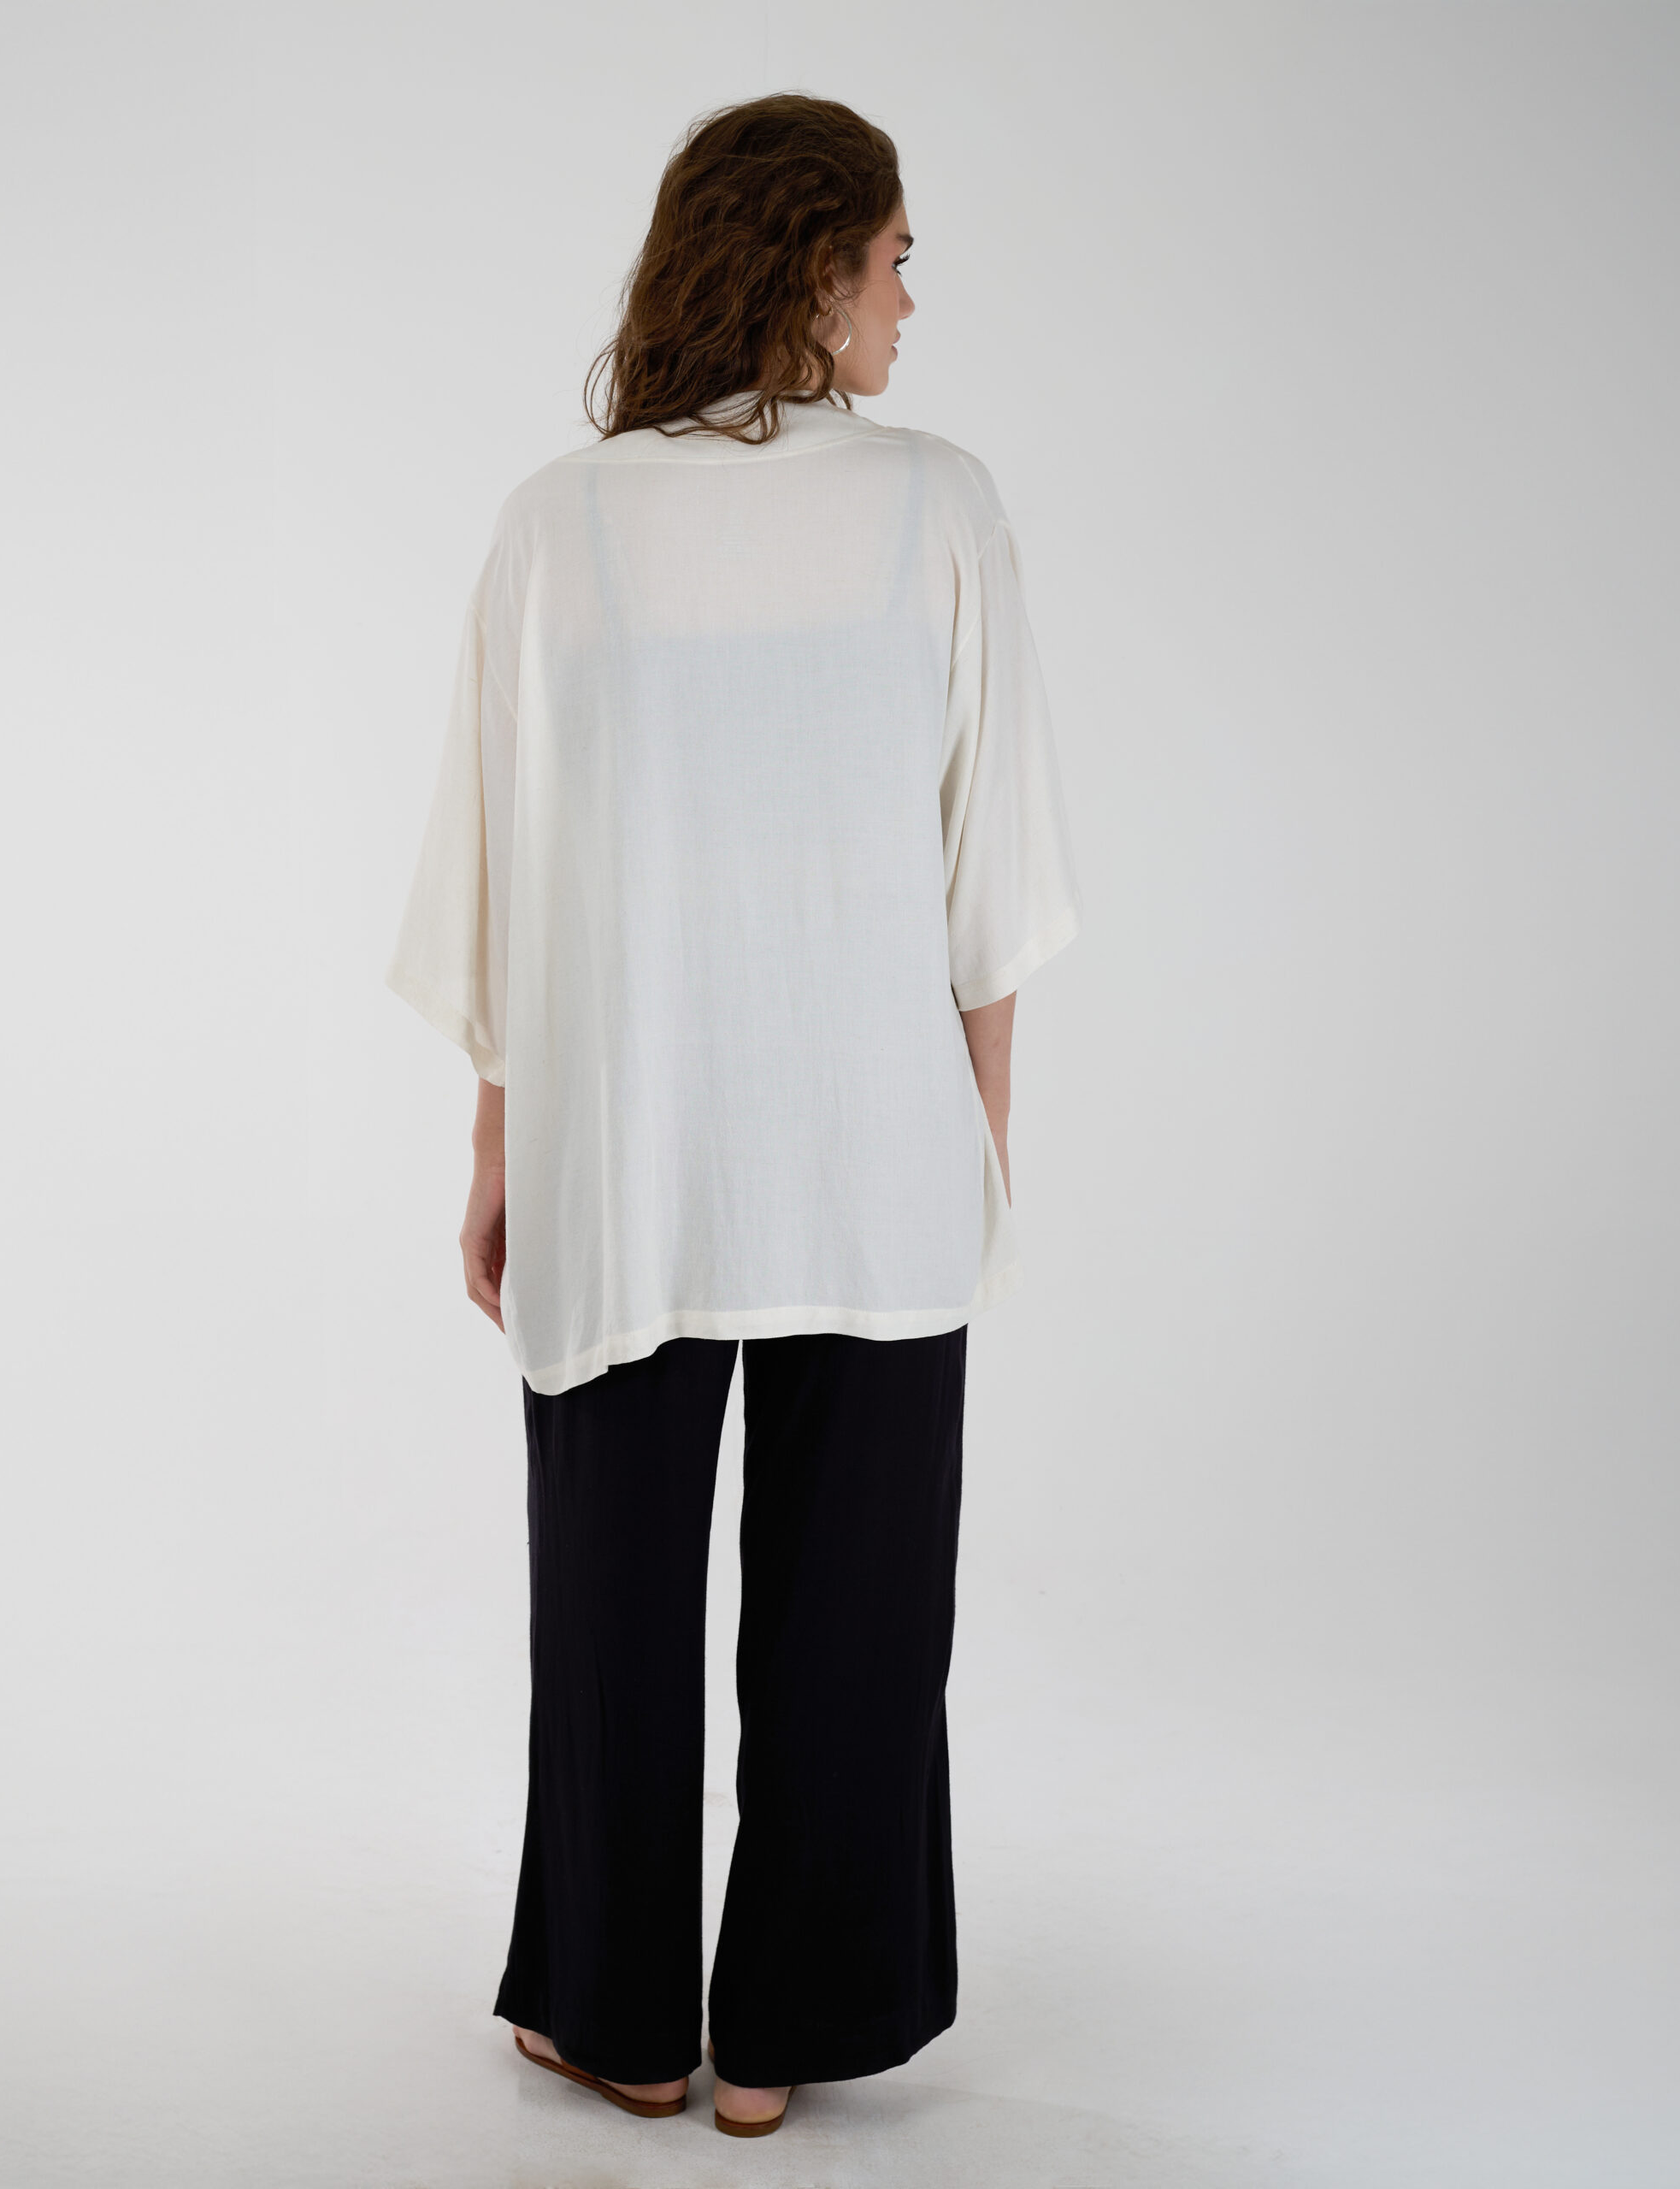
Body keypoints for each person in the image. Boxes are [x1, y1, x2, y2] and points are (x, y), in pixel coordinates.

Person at [386, 91, 1081, 2138]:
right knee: (860, 1611)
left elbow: (505, 875)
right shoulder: (940, 508)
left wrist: (498, 1147)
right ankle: (781, 2032)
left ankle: (614, 2013)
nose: (907, 303)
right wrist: (978, 1144)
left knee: (606, 1594)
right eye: (891, 261)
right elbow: (987, 882)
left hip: (626, 1151)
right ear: (808, 265)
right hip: (872, 1154)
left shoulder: (561, 520)